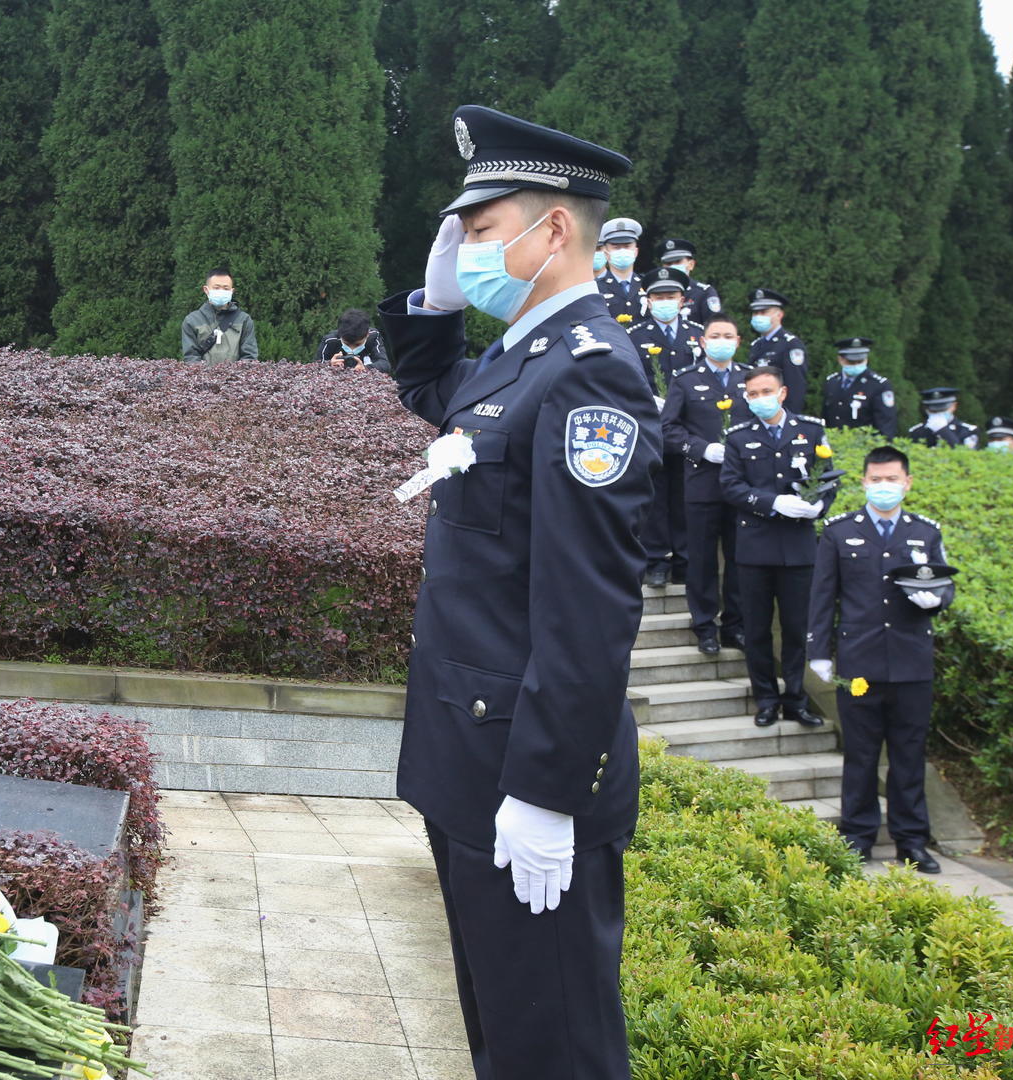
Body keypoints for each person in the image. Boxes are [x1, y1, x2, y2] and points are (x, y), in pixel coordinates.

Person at [378, 104, 657, 1080]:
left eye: (482, 230)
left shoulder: (590, 378)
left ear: (551, 232)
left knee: (557, 1052)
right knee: (505, 1042)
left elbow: (589, 611)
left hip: (522, 781)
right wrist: (437, 303)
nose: (467, 246)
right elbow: (439, 397)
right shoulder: (520, 356)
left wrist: (544, 794)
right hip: (469, 763)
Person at [808, 445, 954, 873]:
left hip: (912, 661)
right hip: (861, 662)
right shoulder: (838, 531)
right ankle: (857, 835)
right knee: (861, 754)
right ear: (864, 481)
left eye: (892, 479)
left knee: (909, 754)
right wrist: (818, 650)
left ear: (907, 482)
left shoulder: (925, 532)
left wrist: (936, 599)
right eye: (876, 479)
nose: (884, 486)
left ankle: (912, 841)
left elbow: (945, 584)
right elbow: (822, 596)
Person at [721, 364, 831, 730]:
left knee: (798, 629)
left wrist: (820, 505)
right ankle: (766, 698)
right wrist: (771, 502)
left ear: (782, 393)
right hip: (755, 547)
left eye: (765, 392)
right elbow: (731, 486)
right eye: (752, 394)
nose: (759, 399)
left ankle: (796, 700)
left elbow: (827, 478)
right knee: (756, 629)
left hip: (798, 547)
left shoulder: (811, 430)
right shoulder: (738, 437)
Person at [660, 312, 751, 655]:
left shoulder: (750, 380)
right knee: (701, 559)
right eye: (716, 335)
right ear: (702, 341)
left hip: (742, 485)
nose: (722, 341)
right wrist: (700, 449)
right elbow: (668, 430)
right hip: (701, 483)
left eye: (729, 335)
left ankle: (734, 625)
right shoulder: (685, 381)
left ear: (738, 342)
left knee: (739, 558)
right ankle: (703, 625)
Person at [628, 266, 705, 586]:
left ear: (682, 300)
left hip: (690, 427)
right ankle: (657, 559)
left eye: (670, 296)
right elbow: (626, 376)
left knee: (686, 492)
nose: (664, 301)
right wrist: (649, 399)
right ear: (647, 299)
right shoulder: (634, 335)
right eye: (658, 296)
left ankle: (686, 559)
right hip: (651, 424)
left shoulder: (698, 334)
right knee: (656, 494)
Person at [746, 287, 809, 414]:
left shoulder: (790, 344)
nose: (758, 316)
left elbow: (795, 386)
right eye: (755, 313)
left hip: (780, 414)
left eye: (763, 312)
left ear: (779, 315)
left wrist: (789, 419)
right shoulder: (757, 344)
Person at [821, 337, 898, 436]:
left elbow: (886, 426)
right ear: (840, 359)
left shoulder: (879, 385)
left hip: (864, 446)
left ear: (866, 359)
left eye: (860, 361)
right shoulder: (832, 382)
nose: (856, 365)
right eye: (851, 362)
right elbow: (826, 418)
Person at [182, 267, 258, 364]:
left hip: (236, 378)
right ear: (206, 290)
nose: (221, 291)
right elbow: (191, 358)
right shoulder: (192, 320)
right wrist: (205, 377)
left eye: (226, 288)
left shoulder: (244, 320)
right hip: (203, 378)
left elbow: (249, 357)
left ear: (232, 291)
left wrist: (236, 376)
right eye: (216, 288)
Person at [655, 237, 721, 321]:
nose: (672, 266)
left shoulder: (704, 293)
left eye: (678, 262)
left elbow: (715, 326)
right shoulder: (655, 293)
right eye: (668, 263)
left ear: (691, 265)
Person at [597, 217, 644, 325]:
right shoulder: (595, 288)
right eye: (616, 247)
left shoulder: (647, 285)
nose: (622, 251)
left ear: (635, 251)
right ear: (606, 253)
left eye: (627, 246)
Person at [314, 307, 390, 373]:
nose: (352, 349)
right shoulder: (330, 340)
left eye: (357, 344)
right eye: (346, 344)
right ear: (340, 335)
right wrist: (328, 365)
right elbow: (316, 366)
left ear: (367, 335)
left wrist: (366, 368)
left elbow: (385, 364)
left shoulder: (373, 336)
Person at [907, 387, 979, 449]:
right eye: (934, 410)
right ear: (926, 409)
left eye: (942, 409)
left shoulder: (967, 431)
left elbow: (967, 455)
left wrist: (943, 431)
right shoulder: (916, 431)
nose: (938, 413)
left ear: (954, 406)